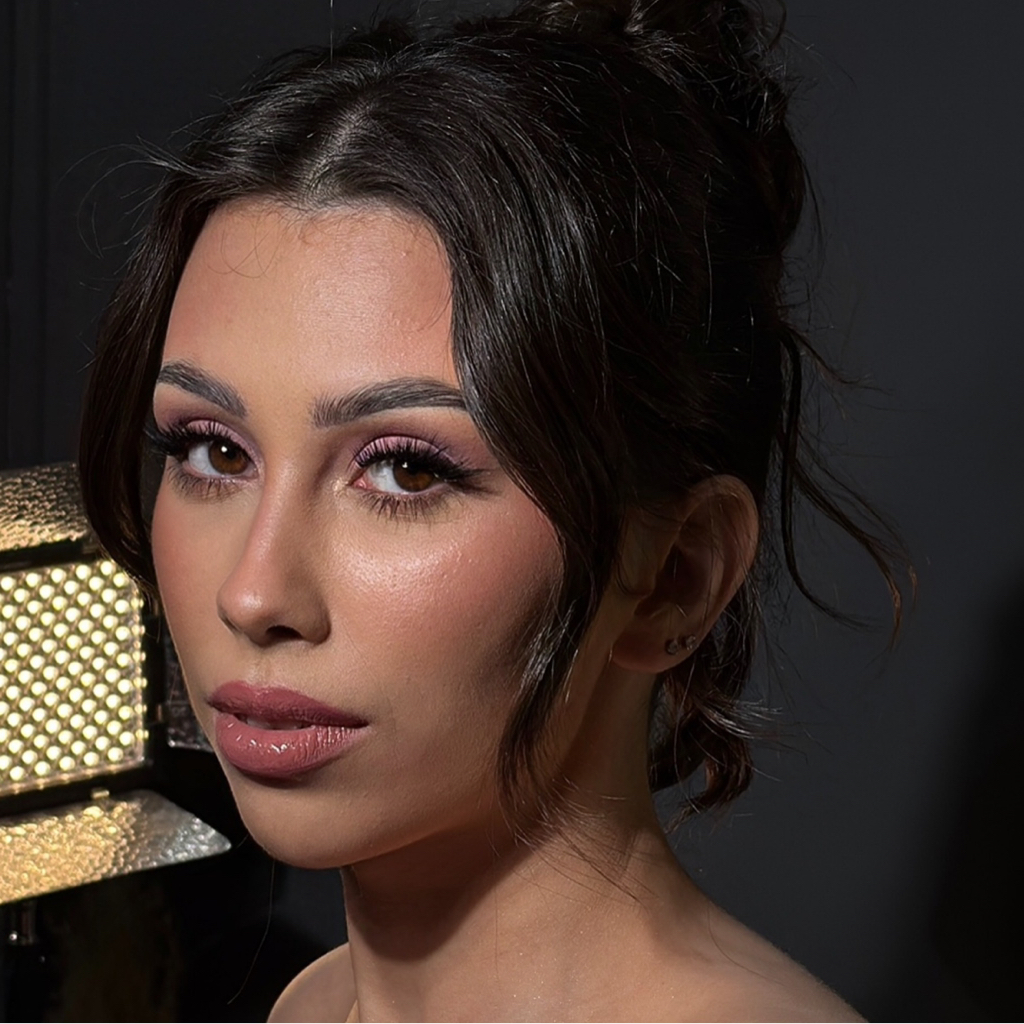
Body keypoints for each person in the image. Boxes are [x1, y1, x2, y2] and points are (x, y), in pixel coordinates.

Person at [78, 0, 905, 1019]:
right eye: (213, 450)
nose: (252, 595)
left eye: (404, 471)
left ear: (676, 573)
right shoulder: (315, 1003)